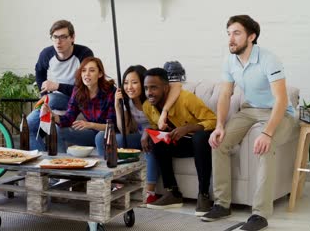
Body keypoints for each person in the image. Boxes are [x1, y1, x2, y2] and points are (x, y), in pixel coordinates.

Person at [201, 15, 297, 231]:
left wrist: (268, 133)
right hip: (250, 110)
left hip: (279, 113)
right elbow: (225, 94)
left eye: (237, 33)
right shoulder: (229, 61)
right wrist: (219, 126)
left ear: (251, 37)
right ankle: (222, 204)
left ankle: (260, 214)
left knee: (266, 146)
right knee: (219, 142)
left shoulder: (269, 59)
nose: (231, 39)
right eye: (228, 34)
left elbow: (281, 100)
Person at [94, 65, 182, 204]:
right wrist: (118, 107)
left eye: (134, 82)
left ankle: (149, 192)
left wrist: (161, 116)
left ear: (144, 82)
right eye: (126, 83)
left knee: (150, 143)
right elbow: (124, 131)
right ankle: (114, 182)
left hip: (158, 135)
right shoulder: (128, 101)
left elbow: (176, 85)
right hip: (138, 136)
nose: (129, 87)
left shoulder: (152, 97)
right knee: (101, 137)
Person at [141, 68, 216, 216]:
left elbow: (214, 120)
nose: (149, 92)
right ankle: (173, 193)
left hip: (200, 144)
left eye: (153, 87)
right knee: (157, 141)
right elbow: (156, 126)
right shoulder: (147, 106)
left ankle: (204, 195)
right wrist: (146, 133)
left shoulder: (186, 99)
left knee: (199, 137)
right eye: (146, 88)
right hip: (180, 144)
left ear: (165, 87)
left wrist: (187, 128)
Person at [27, 19, 93, 151]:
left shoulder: (84, 54)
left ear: (72, 37)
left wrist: (57, 86)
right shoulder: (47, 54)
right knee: (28, 126)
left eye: (63, 37)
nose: (58, 41)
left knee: (53, 98)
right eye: (55, 37)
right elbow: (39, 72)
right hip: (55, 101)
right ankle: (44, 162)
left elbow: (87, 89)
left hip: (80, 100)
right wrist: (44, 94)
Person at [45, 57, 116, 152]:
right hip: (91, 134)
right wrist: (52, 116)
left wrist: (90, 125)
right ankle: (61, 162)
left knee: (100, 136)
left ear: (100, 74)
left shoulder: (110, 91)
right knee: (58, 130)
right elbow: (68, 119)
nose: (87, 74)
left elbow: (112, 125)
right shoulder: (78, 91)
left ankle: (106, 165)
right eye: (83, 70)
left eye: (92, 70)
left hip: (109, 134)